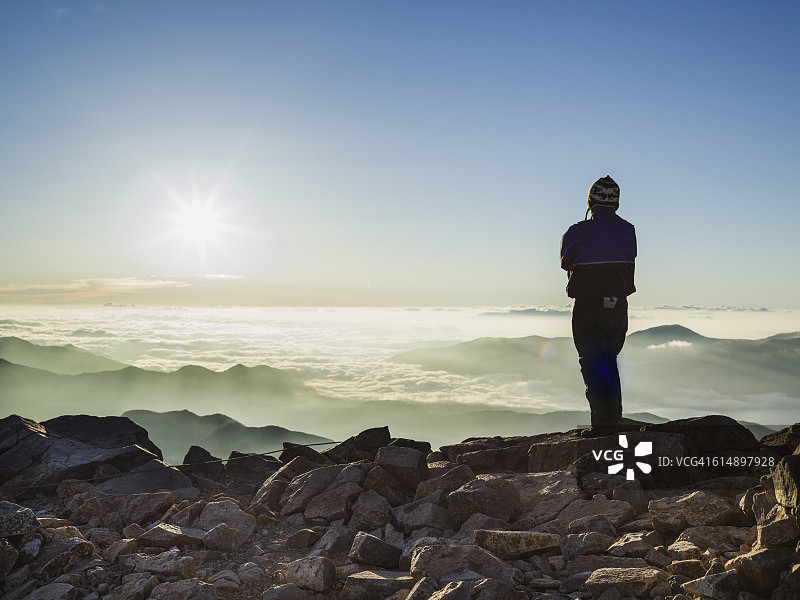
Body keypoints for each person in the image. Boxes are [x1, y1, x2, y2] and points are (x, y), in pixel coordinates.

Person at [559, 175, 637, 437]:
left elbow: (565, 260)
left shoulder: (577, 231)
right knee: (609, 360)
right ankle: (612, 418)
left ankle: (604, 425)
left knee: (592, 361)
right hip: (618, 306)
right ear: (616, 203)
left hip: (588, 305)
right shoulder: (629, 230)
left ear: (590, 202)